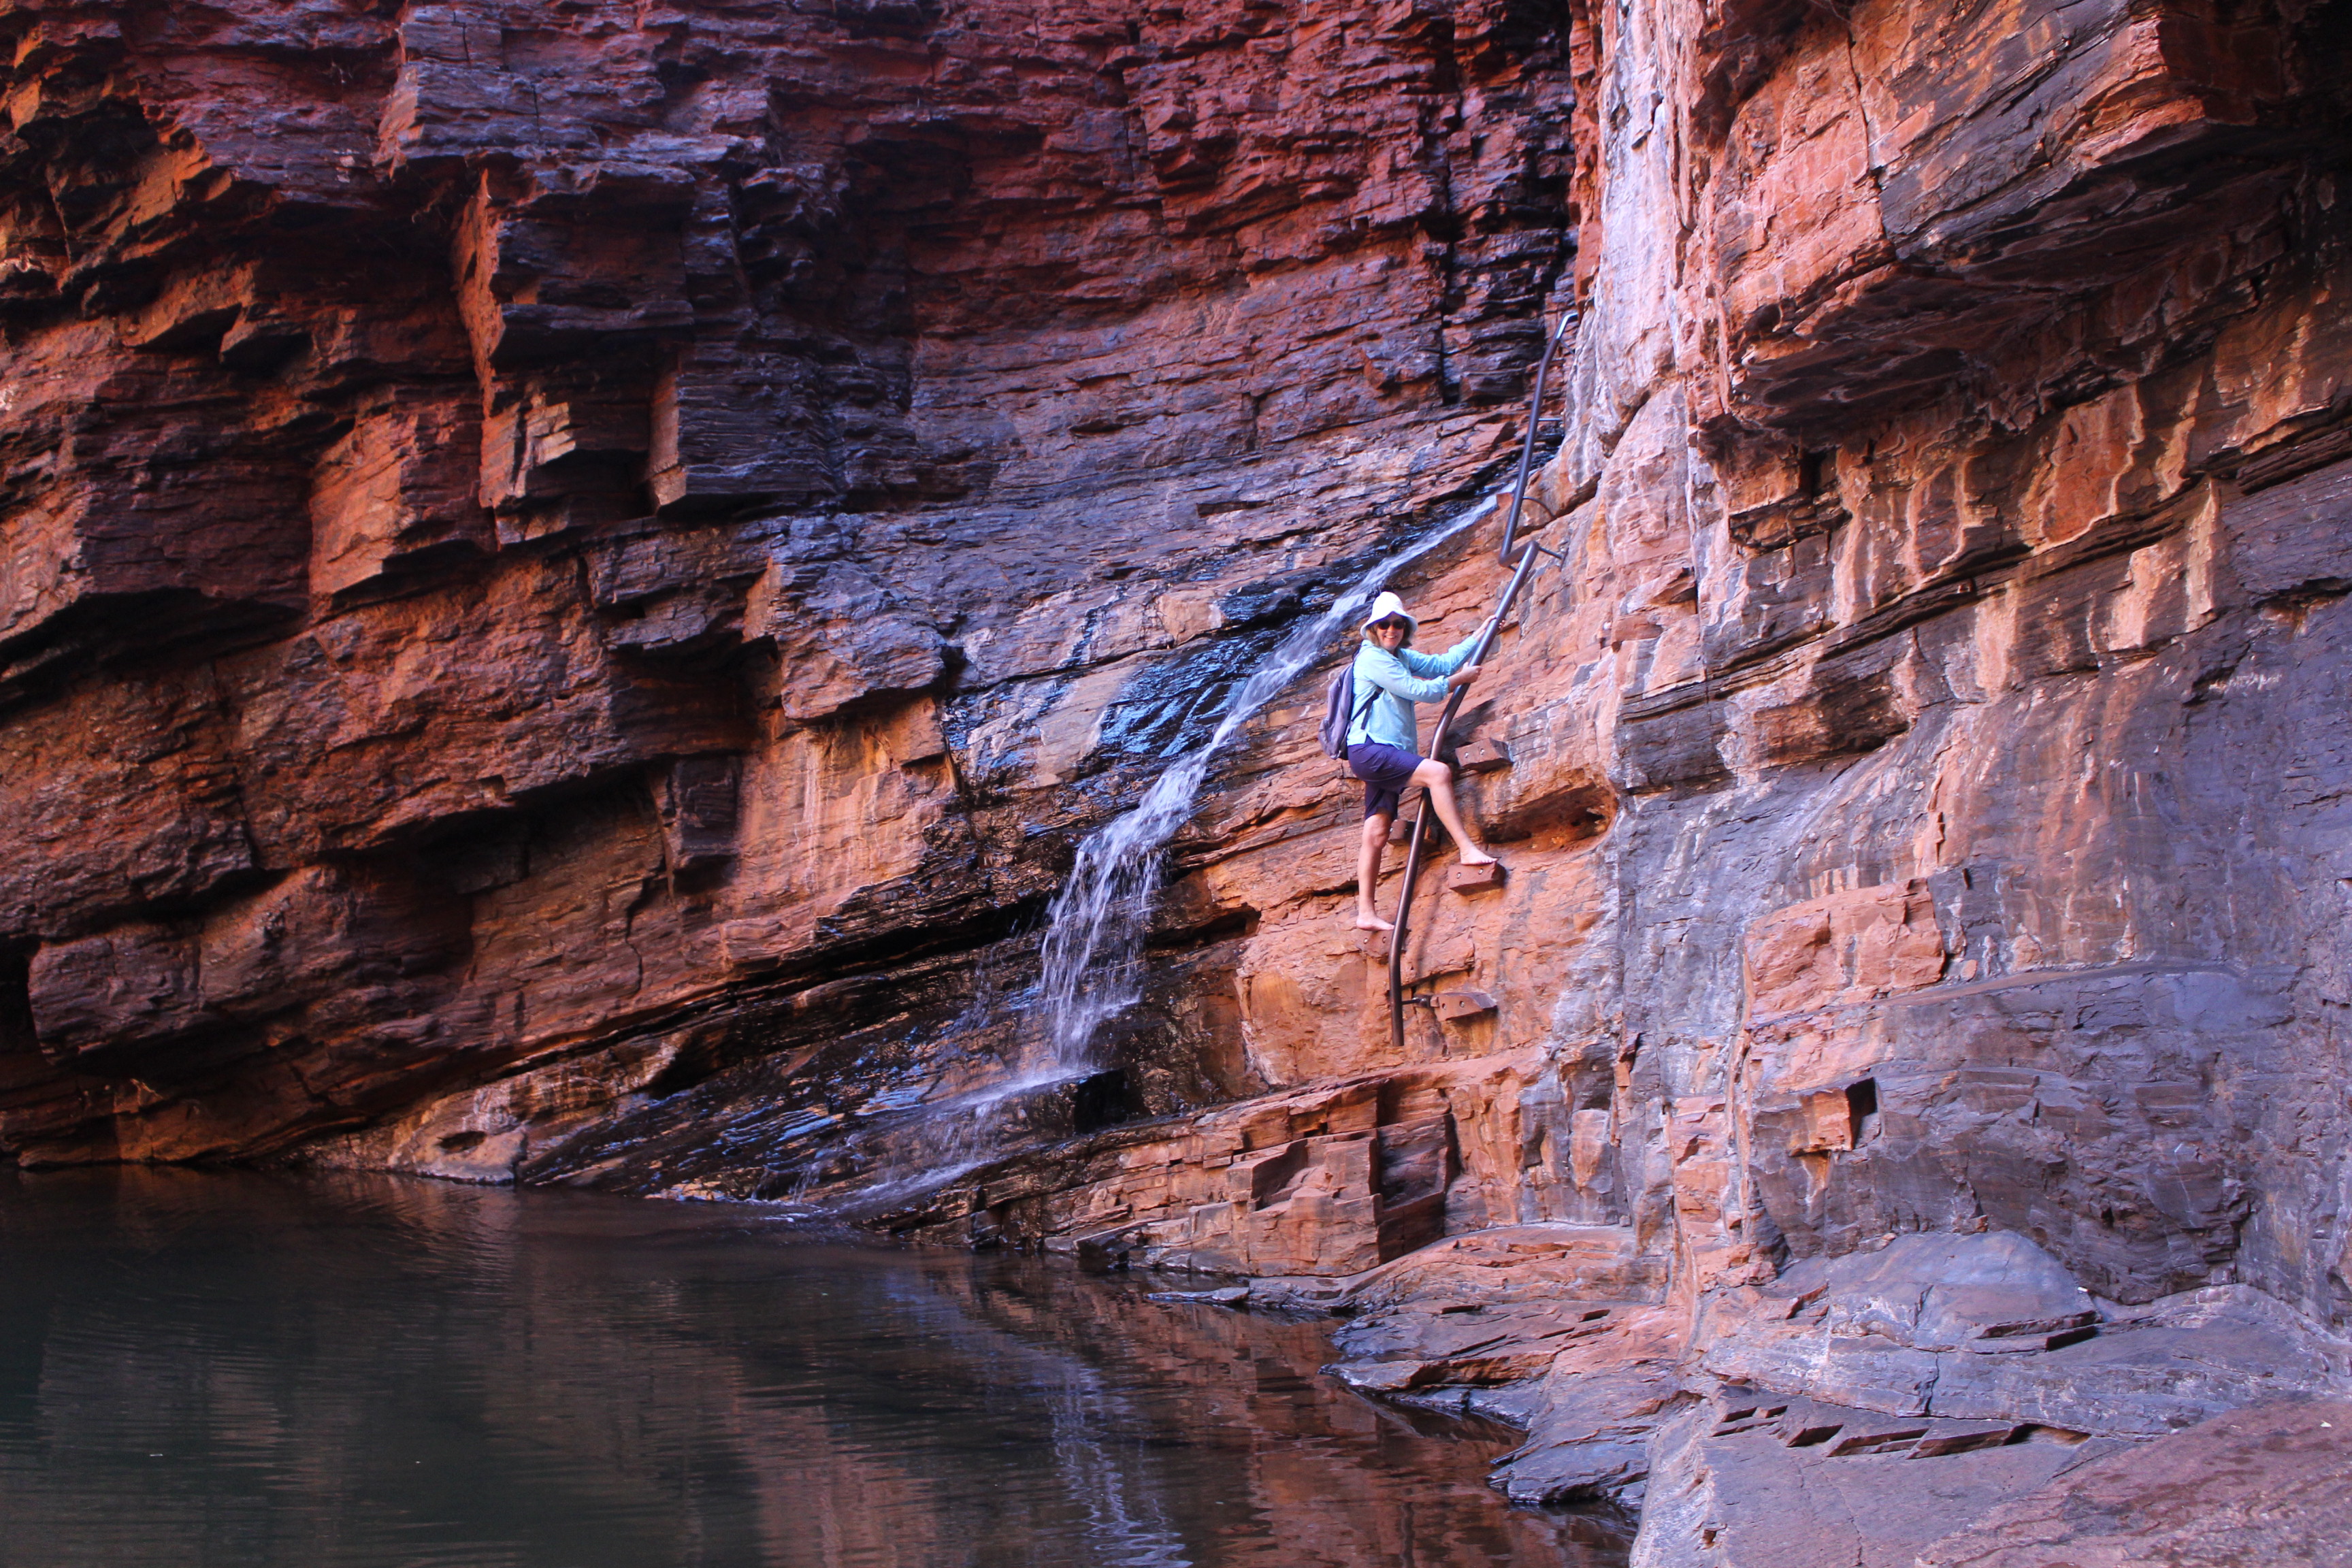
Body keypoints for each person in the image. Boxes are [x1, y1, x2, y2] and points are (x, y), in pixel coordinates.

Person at [1345, 591, 1497, 933]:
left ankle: (1366, 913)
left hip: (1383, 750)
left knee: (1377, 831)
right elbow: (1419, 690)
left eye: (1398, 624)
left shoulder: (1399, 655)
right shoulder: (1371, 658)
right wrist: (1458, 682)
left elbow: (1439, 665)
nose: (1391, 630)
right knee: (1438, 773)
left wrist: (1476, 637)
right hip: (1370, 748)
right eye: (1384, 624)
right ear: (1373, 628)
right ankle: (1467, 849)